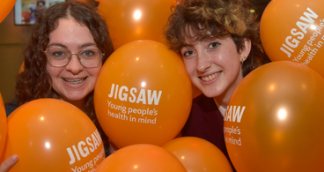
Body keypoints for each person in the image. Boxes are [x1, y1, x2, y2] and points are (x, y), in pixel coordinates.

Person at [1, 1, 114, 171]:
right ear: (41, 60)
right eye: (59, 53)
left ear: (104, 59)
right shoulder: (10, 127)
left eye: (88, 52)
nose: (75, 67)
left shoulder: (118, 123)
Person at [164, 0, 271, 171]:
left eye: (213, 45)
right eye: (189, 52)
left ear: (242, 47)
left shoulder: (277, 100)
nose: (201, 65)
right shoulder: (186, 121)